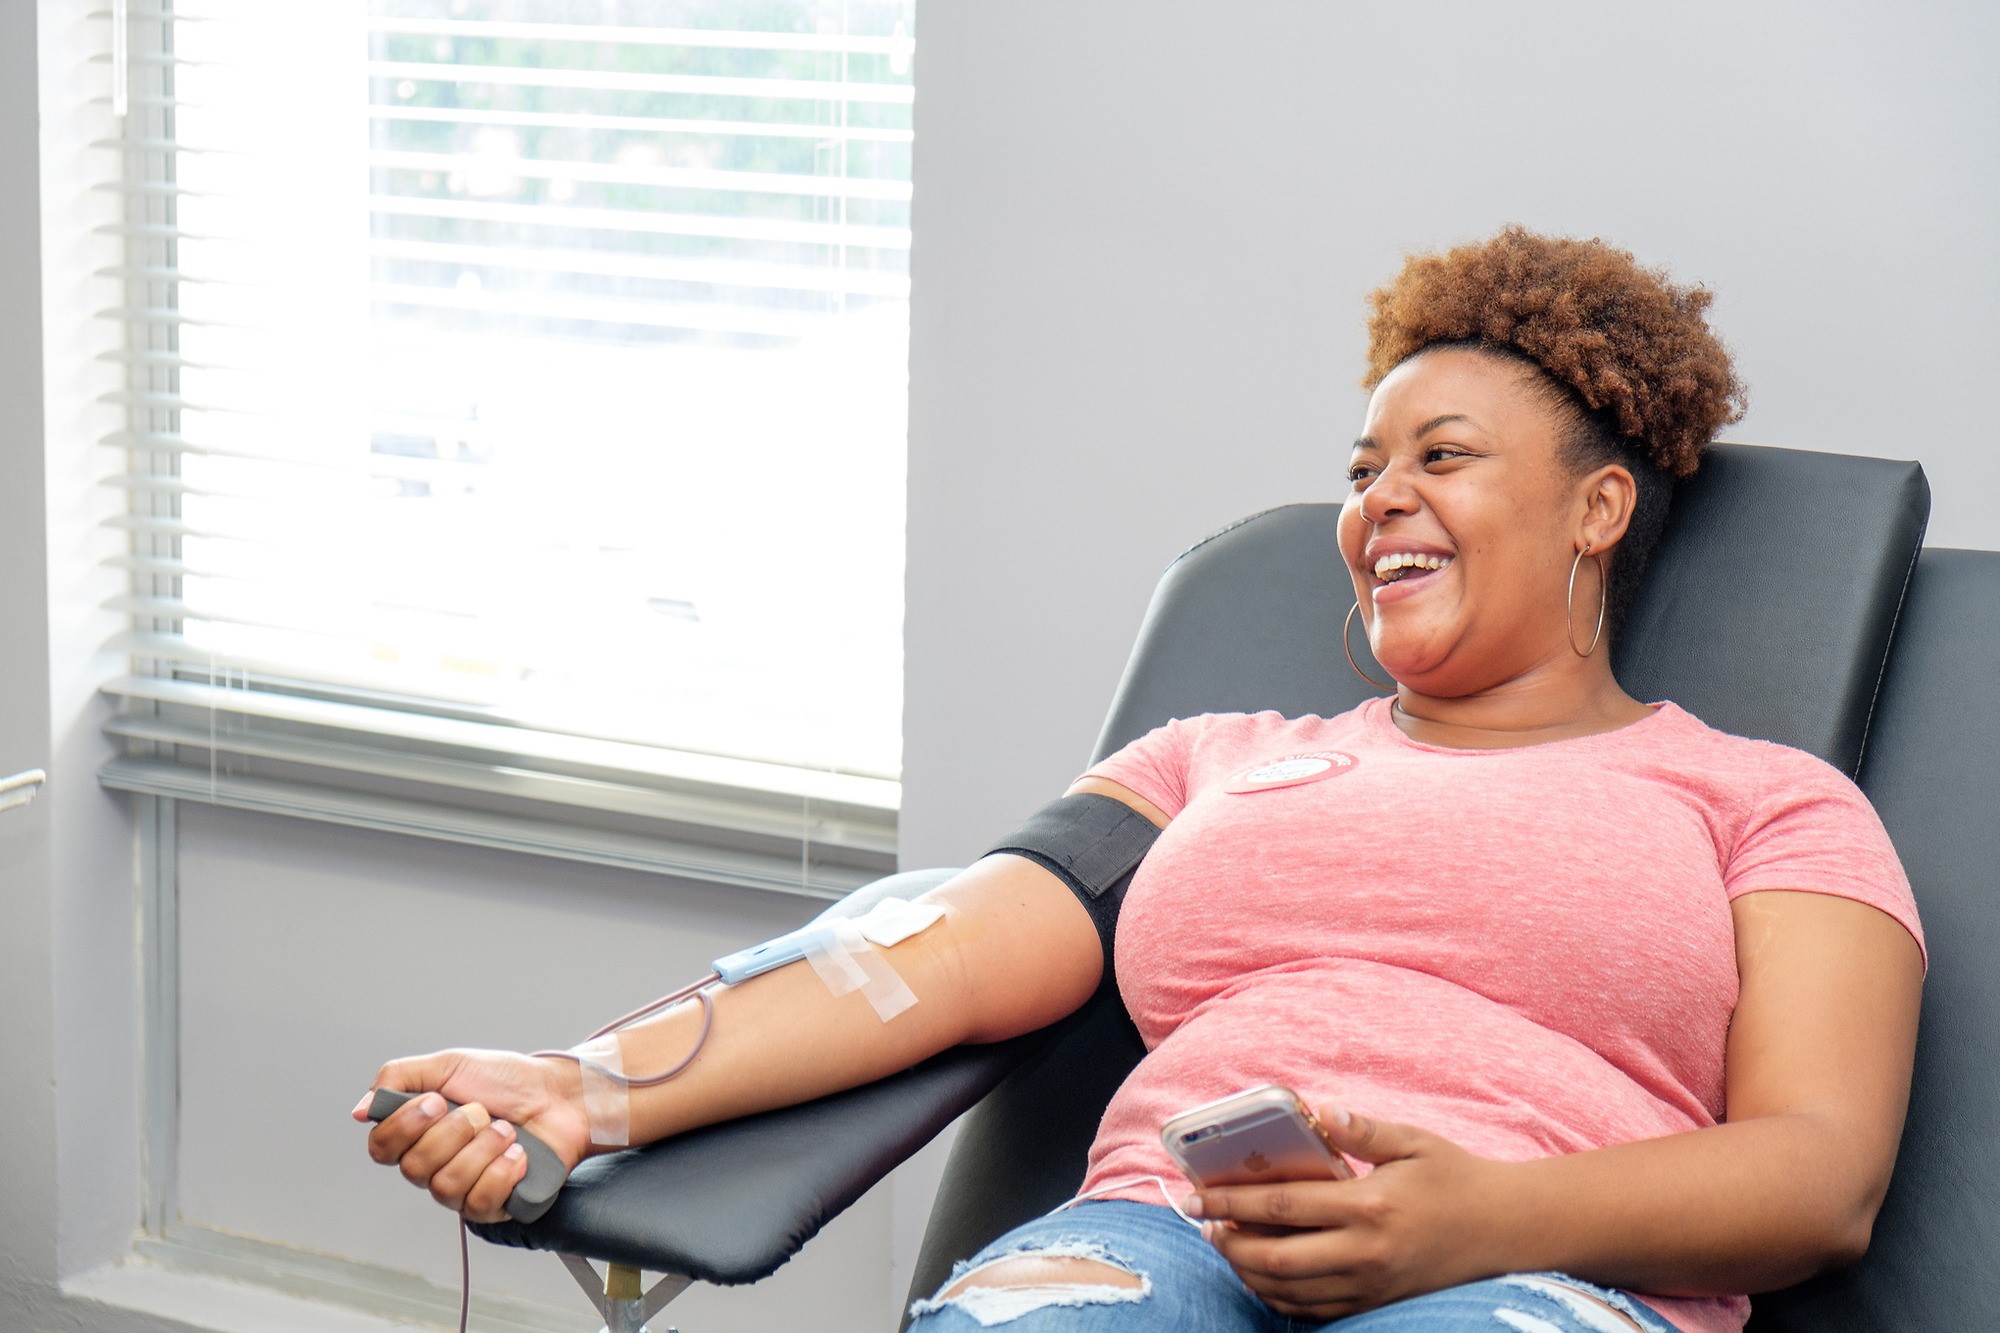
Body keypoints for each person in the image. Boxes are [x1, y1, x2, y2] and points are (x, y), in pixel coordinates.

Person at [356, 228, 1925, 1333]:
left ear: (1597, 507)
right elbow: (935, 955)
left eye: (1440, 457)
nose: (1378, 500)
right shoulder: (1214, 761)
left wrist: (1475, 1221)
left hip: (1546, 1270)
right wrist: (585, 1082)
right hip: (1154, 1241)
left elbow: (1819, 1174)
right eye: (1364, 467)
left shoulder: (1765, 803)